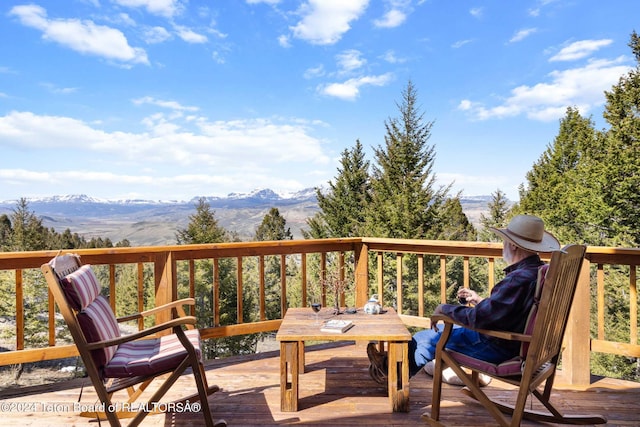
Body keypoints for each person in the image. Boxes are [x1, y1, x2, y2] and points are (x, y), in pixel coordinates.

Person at [367, 214, 560, 385]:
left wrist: (444, 309)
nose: (503, 246)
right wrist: (479, 300)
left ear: (513, 245)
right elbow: (511, 312)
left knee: (425, 340)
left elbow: (481, 319)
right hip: (515, 342)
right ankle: (390, 369)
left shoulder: (518, 279)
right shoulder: (537, 272)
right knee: (438, 332)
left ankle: (389, 374)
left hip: (499, 346)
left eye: (505, 241)